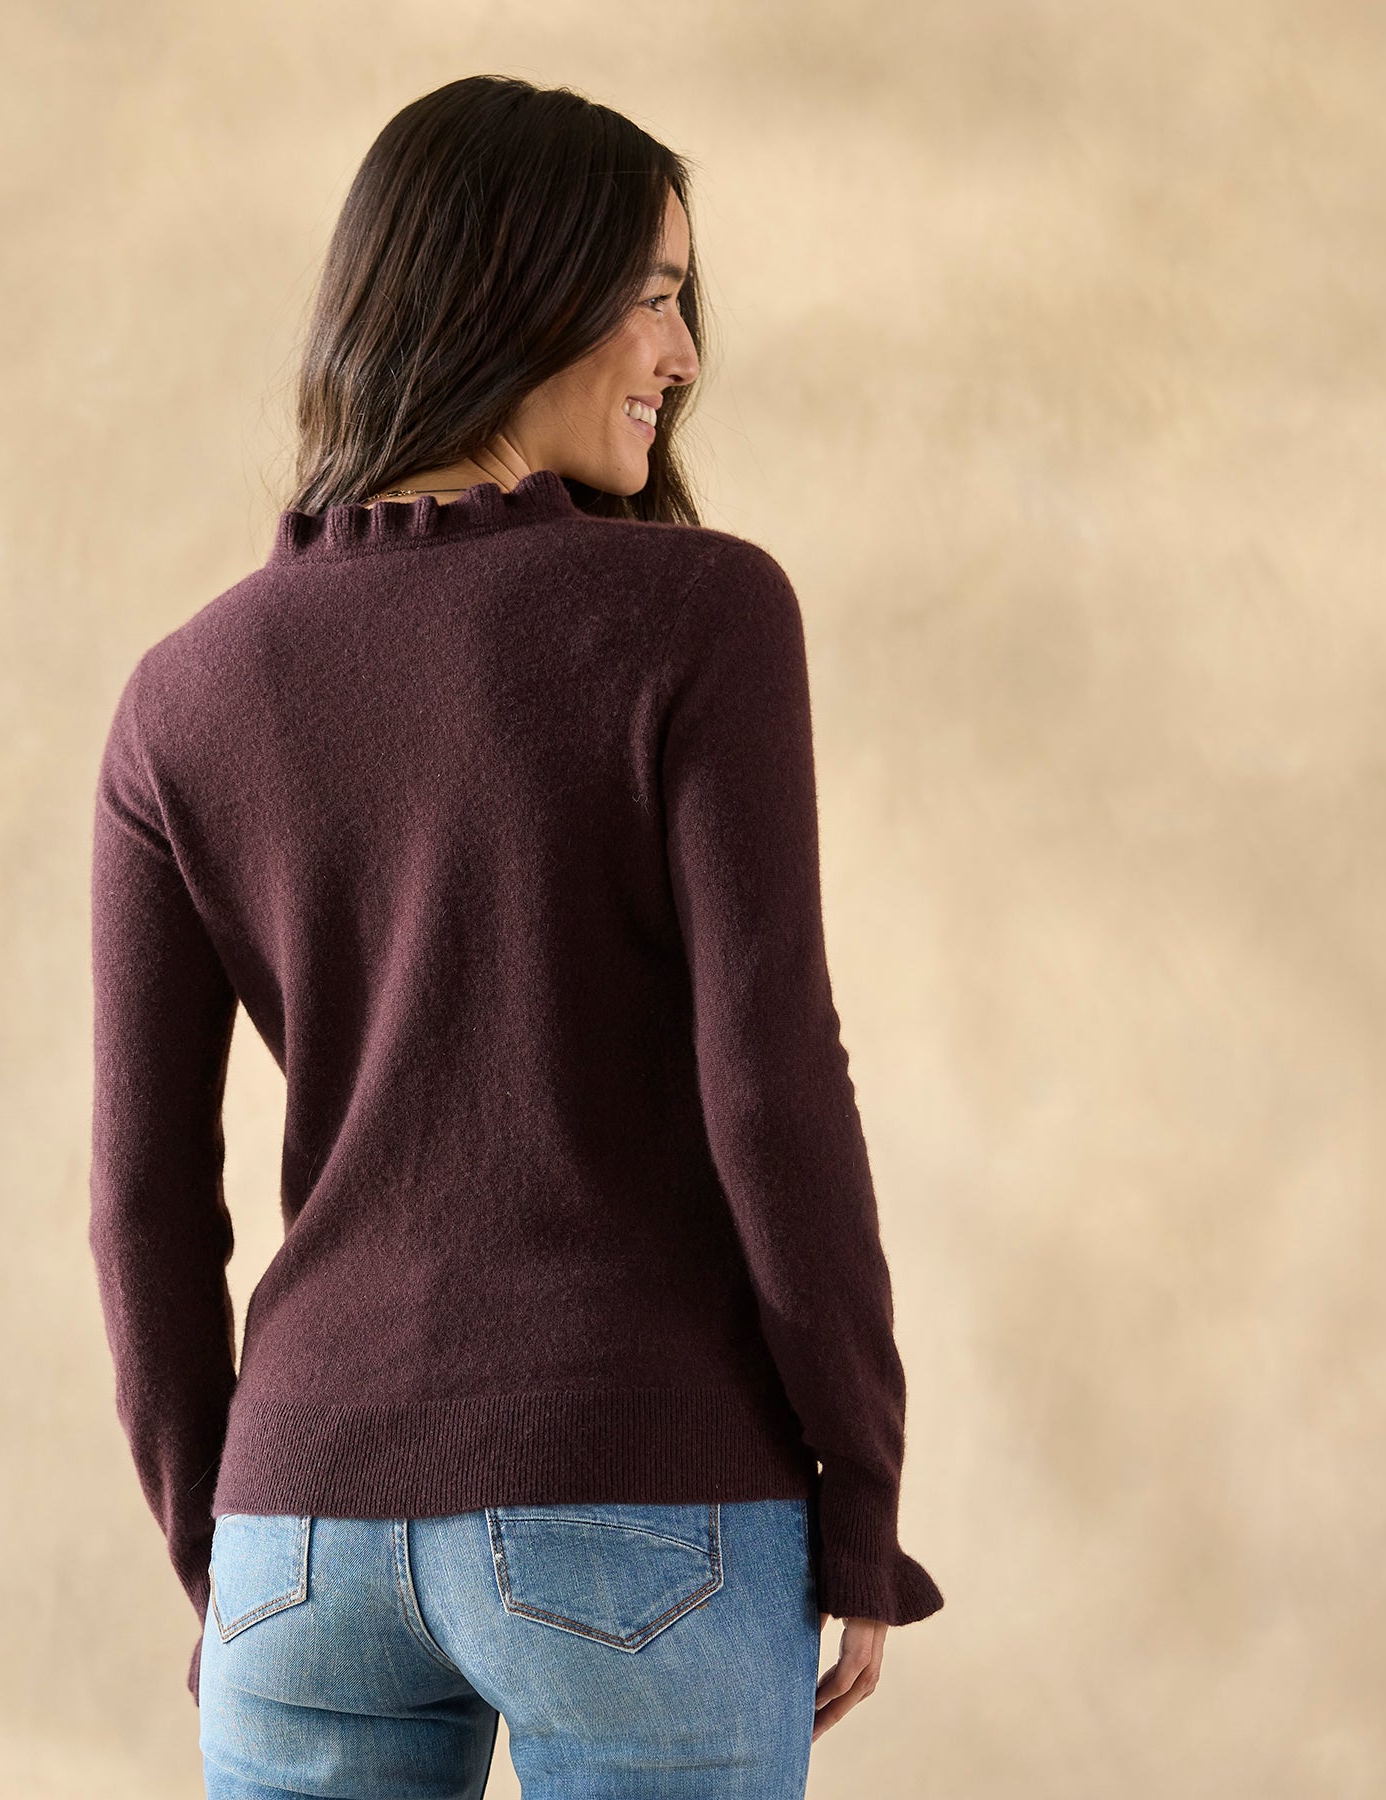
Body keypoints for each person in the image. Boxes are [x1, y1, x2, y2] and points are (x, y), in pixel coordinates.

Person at [88, 73, 943, 1800]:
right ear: (521, 290)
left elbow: (142, 1197)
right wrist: (859, 1490)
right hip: (642, 1495)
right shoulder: (698, 613)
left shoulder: (180, 696)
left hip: (296, 1526)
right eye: (656, 295)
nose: (684, 354)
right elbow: (772, 1083)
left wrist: (227, 1549)